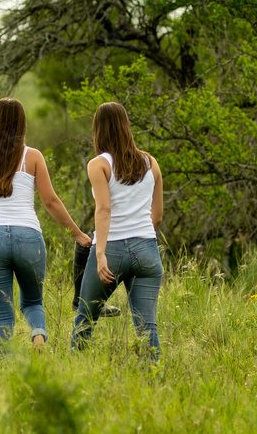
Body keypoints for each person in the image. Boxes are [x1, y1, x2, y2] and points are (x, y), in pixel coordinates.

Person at [0, 98, 92, 352]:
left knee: (2, 316)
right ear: (22, 123)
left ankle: (6, 371)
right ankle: (39, 337)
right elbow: (51, 201)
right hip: (28, 238)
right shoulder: (32, 156)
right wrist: (77, 234)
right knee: (33, 301)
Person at [71, 102, 164, 360]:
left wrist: (100, 254)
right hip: (146, 248)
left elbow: (104, 210)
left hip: (111, 248)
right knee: (147, 327)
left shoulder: (98, 164)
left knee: (85, 318)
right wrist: (142, 242)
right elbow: (157, 217)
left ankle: (74, 373)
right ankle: (155, 377)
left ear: (98, 129)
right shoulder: (151, 162)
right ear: (126, 126)